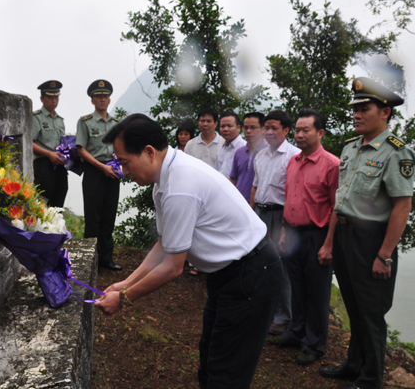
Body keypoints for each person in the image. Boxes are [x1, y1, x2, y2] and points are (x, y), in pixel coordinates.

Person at [97, 113, 283, 389]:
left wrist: (124, 297)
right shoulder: (165, 178)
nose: (123, 171)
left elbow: (173, 267)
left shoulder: (180, 186)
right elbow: (164, 244)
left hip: (251, 273)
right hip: (230, 275)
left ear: (148, 152)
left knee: (226, 373)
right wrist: (126, 282)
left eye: (125, 162)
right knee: (210, 359)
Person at [318, 78, 415, 389]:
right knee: (354, 305)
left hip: (373, 241)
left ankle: (371, 379)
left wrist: (384, 255)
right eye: (355, 109)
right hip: (346, 236)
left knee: (371, 313)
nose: (356, 114)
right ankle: (354, 365)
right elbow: (340, 201)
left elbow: (402, 207)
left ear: (385, 112)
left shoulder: (396, 152)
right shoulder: (351, 147)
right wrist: (330, 241)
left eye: (364, 108)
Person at [268, 109, 339, 366]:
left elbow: (336, 207)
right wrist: (285, 232)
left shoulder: (331, 164)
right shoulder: (293, 162)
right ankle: (296, 332)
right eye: (297, 130)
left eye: (305, 130)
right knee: (297, 287)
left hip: (317, 235)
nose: (299, 134)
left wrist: (329, 243)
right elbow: (291, 199)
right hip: (294, 232)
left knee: (317, 292)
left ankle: (314, 344)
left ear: (320, 132)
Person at [250, 110, 301, 336]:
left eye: (274, 128)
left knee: (282, 266)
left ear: (286, 131)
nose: (269, 132)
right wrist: (251, 214)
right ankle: (265, 311)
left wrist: (287, 226)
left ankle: (283, 317)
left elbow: (294, 192)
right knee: (260, 263)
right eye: (266, 128)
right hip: (261, 213)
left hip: (281, 215)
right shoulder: (260, 155)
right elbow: (255, 186)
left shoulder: (294, 156)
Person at [75, 80, 122, 271]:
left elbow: (120, 147)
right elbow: (81, 149)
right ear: (93, 100)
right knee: (93, 217)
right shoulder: (85, 121)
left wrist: (119, 163)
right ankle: (90, 260)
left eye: (105, 96)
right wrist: (101, 166)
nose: (103, 99)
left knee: (109, 216)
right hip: (94, 171)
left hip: (113, 172)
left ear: (109, 99)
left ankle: (106, 259)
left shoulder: (116, 123)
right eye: (99, 96)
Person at [32, 80, 68, 207]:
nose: (54, 100)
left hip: (60, 167)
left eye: (56, 97)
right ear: (42, 98)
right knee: (42, 205)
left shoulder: (60, 121)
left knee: (58, 205)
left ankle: (56, 227)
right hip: (43, 166)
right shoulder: (36, 117)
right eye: (50, 97)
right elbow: (30, 143)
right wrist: (49, 154)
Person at [229, 112, 267, 202]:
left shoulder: (268, 153)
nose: (248, 131)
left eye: (253, 127)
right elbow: (233, 179)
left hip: (259, 205)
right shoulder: (239, 152)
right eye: (246, 128)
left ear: (263, 129)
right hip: (239, 203)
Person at [215, 111, 246, 178]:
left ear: (238, 128)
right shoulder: (221, 148)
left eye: (229, 126)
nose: (225, 129)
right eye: (222, 126)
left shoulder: (244, 148)